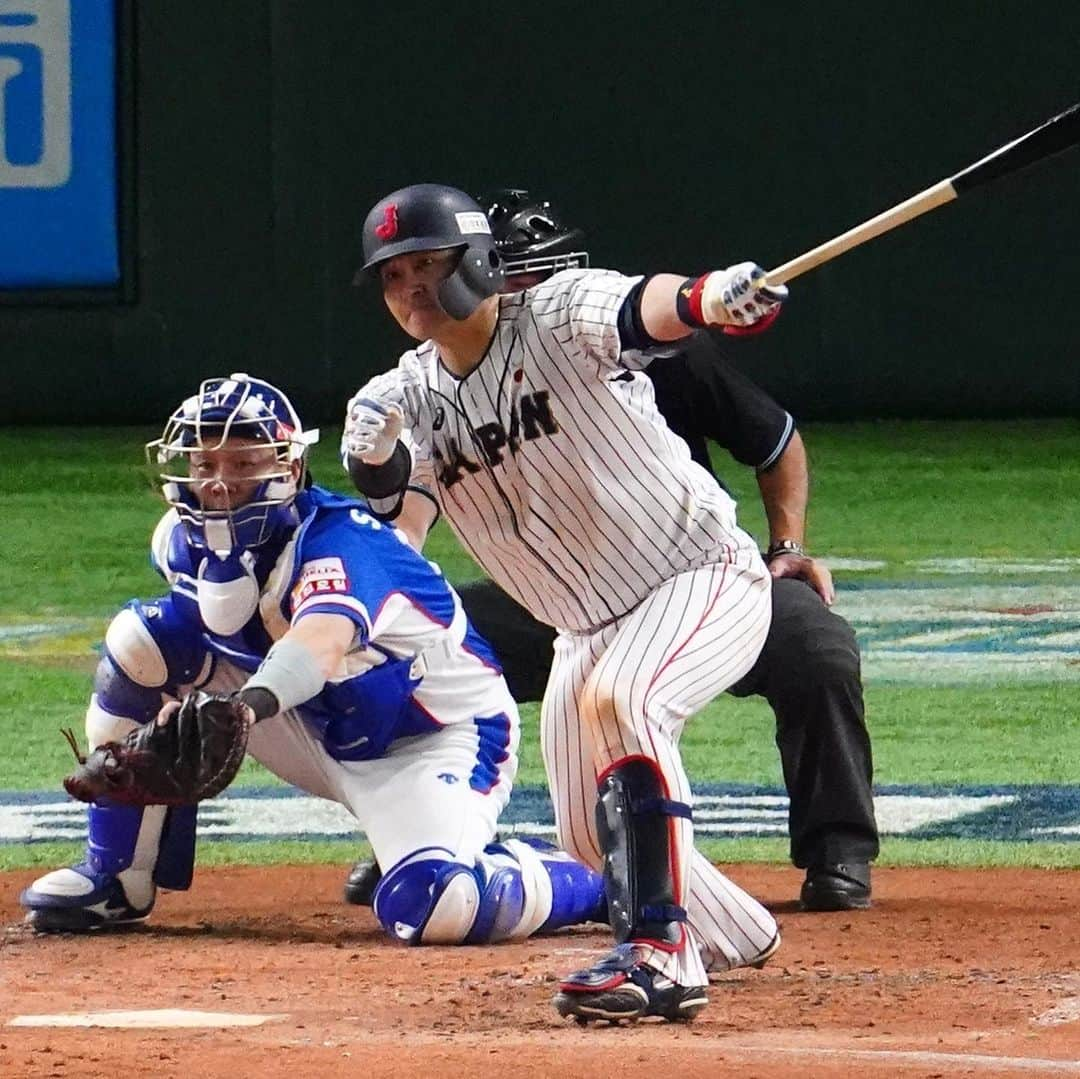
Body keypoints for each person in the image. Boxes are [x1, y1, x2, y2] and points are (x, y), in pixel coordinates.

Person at [343, 190, 878, 915]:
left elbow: (659, 314)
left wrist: (708, 296)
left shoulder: (578, 321)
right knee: (417, 657)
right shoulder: (419, 390)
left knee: (802, 650)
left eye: (428, 268)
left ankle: (825, 857)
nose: (412, 290)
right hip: (567, 605)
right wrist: (375, 475)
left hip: (684, 572)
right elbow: (402, 526)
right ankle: (418, 840)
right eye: (393, 276)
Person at [20, 373, 607, 949]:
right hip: (310, 720)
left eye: (243, 463)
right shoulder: (177, 539)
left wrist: (242, 710)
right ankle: (117, 873)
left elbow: (319, 644)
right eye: (205, 466)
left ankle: (597, 883)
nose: (219, 484)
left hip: (426, 734)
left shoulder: (338, 542)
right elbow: (204, 630)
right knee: (140, 642)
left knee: (437, 903)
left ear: (289, 469)